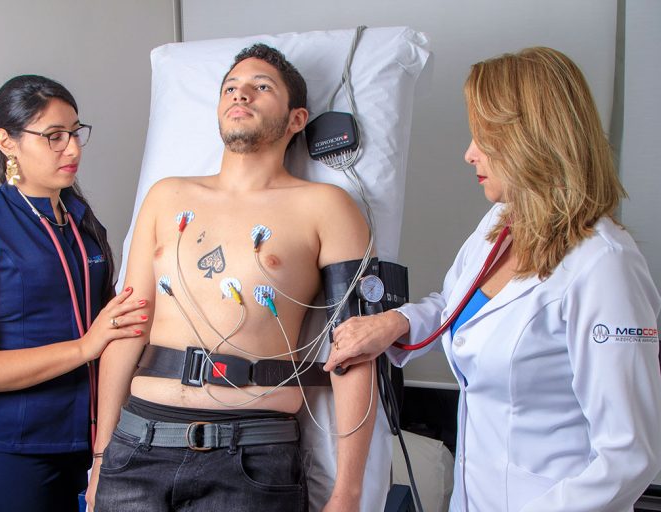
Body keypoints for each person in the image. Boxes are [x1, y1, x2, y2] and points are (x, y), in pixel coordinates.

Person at [324, 47, 661, 511]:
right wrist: (397, 324)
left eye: (483, 137)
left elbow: (629, 456)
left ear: (531, 139)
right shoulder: (498, 226)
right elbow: (456, 305)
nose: (469, 153)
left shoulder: (605, 267)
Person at [87, 44, 376, 512]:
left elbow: (357, 349)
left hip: (251, 456)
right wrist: (101, 457)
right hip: (137, 446)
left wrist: (349, 492)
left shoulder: (327, 207)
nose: (241, 95)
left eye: (261, 87)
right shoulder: (166, 197)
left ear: (296, 118)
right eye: (230, 87)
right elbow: (128, 326)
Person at [0, 75, 148, 512]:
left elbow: (116, 324)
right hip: (13, 456)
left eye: (74, 133)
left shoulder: (82, 221)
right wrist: (86, 346)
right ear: (7, 141)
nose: (72, 149)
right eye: (53, 136)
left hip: (93, 447)